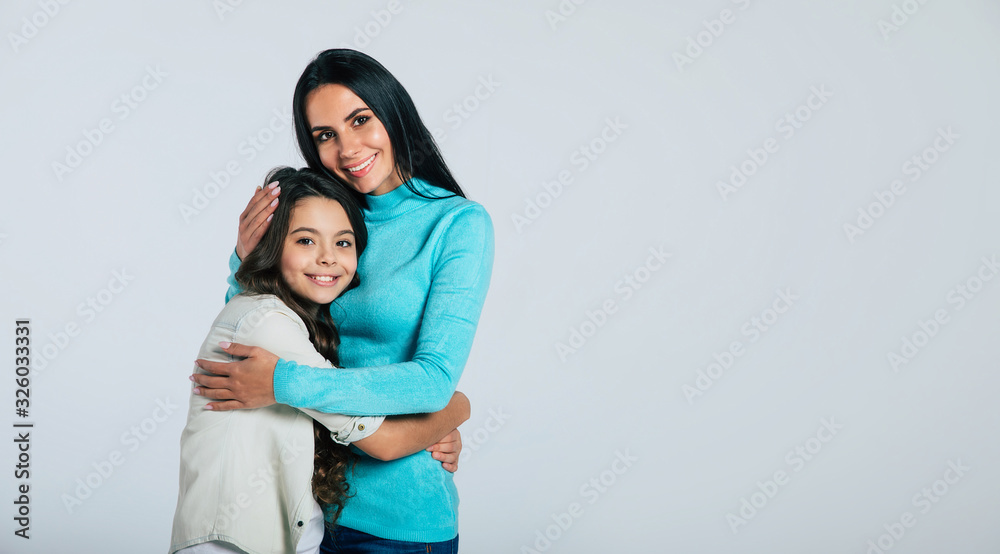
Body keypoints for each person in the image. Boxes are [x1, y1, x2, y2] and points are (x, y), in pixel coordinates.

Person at [192, 49, 495, 551]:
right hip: (300, 508)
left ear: (393, 113)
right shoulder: (320, 215)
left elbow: (433, 381)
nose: (348, 148)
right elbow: (259, 330)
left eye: (360, 120)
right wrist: (245, 259)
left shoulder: (457, 225)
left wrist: (283, 384)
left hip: (394, 522)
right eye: (325, 135)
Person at [171, 167, 470, 554]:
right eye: (306, 240)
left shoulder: (289, 319)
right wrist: (457, 406)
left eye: (343, 242)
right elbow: (385, 443)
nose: (328, 258)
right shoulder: (268, 324)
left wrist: (433, 427)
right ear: (271, 244)